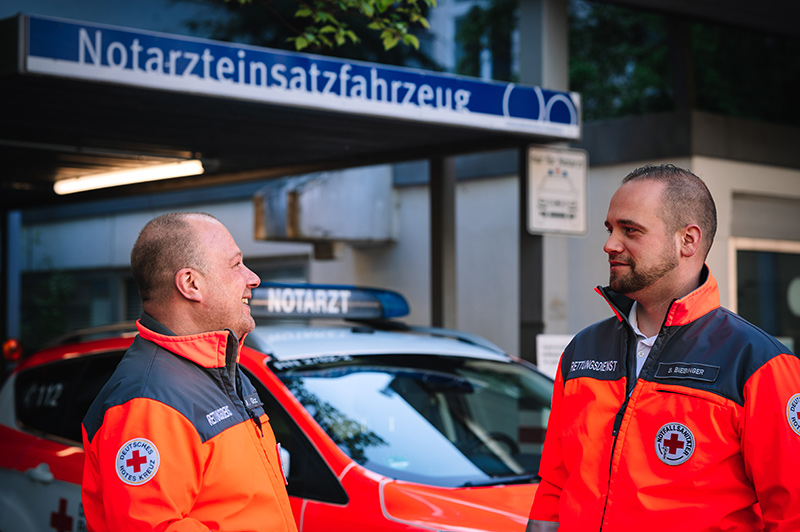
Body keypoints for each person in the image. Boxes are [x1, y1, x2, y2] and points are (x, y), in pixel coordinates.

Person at [527, 164, 800, 531]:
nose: (609, 244)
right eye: (610, 229)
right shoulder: (583, 351)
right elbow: (554, 488)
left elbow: (791, 513)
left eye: (631, 230)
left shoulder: (758, 364)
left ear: (687, 240)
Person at [82, 212, 298, 532]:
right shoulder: (147, 402)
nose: (252, 278)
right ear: (191, 284)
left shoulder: (221, 371)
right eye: (236, 265)